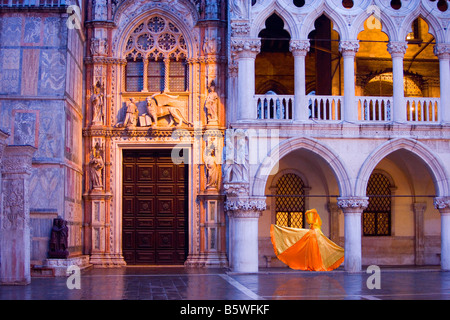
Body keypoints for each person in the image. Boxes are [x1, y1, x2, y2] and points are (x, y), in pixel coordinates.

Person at [270, 209, 344, 271]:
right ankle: (314, 265)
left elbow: (323, 241)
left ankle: (315, 265)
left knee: (315, 254)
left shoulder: (315, 231)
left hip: (315, 245)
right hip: (312, 244)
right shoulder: (313, 231)